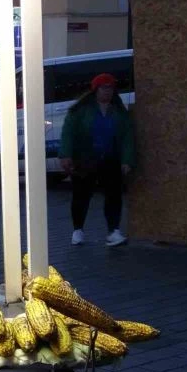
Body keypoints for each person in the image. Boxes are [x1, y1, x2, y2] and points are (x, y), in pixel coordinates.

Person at [59, 73, 134, 248]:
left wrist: (127, 159)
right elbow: (68, 133)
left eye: (110, 88)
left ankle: (113, 231)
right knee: (81, 195)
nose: (107, 92)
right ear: (95, 90)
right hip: (86, 158)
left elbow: (127, 137)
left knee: (113, 195)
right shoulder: (80, 111)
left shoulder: (119, 112)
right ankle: (78, 230)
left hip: (110, 158)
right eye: (103, 88)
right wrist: (66, 154)